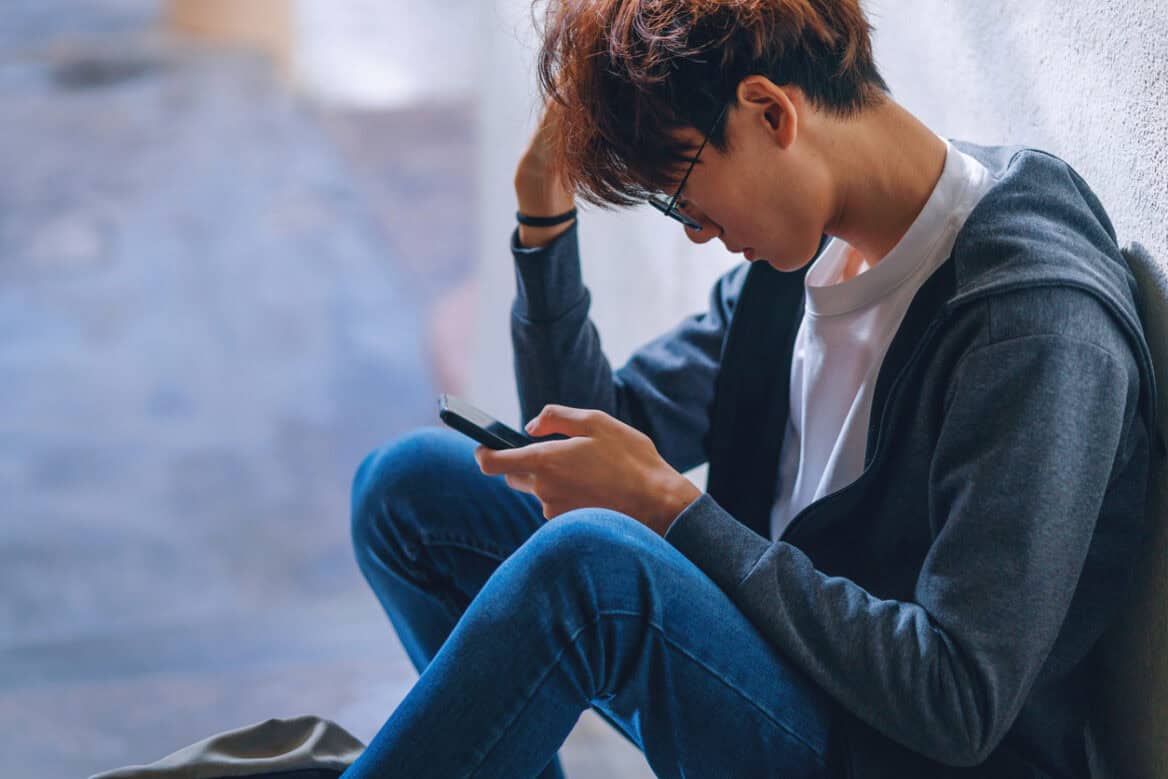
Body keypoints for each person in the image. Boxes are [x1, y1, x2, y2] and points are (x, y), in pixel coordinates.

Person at [343, 1, 1160, 777]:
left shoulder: (1030, 320)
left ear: (770, 113)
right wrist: (543, 217)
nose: (698, 230)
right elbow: (589, 438)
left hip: (896, 751)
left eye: (682, 193)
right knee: (409, 488)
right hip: (784, 681)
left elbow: (957, 698)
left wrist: (674, 510)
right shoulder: (804, 261)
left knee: (590, 569)